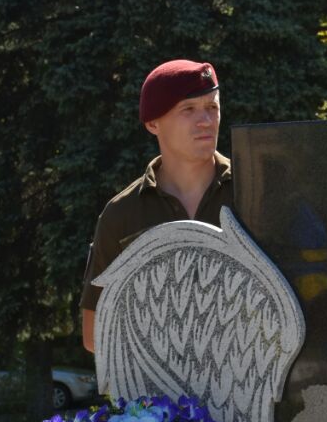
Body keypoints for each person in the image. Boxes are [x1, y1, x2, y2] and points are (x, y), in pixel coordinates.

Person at [80, 59, 233, 353]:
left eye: (212, 107)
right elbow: (94, 334)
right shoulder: (123, 214)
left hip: (254, 393)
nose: (206, 120)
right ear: (153, 123)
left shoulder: (255, 192)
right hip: (164, 396)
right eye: (188, 110)